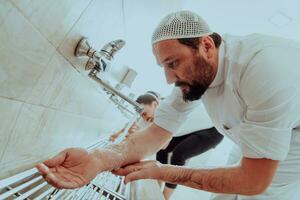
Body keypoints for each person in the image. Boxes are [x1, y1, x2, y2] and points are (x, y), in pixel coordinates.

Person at [36, 10, 300, 199]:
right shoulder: (194, 74)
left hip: (293, 148)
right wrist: (97, 159)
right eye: (164, 66)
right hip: (248, 138)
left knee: (257, 194)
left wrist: (164, 171)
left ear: (206, 45)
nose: (168, 77)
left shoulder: (263, 68)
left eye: (173, 63)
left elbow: (253, 181)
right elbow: (155, 133)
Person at [110, 92, 224, 200]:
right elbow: (136, 129)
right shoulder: (152, 115)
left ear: (155, 104)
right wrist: (123, 135)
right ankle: (158, 187)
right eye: (142, 115)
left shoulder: (168, 111)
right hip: (193, 129)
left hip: (213, 130)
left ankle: (164, 197)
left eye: (144, 113)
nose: (144, 118)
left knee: (179, 154)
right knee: (162, 152)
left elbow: (162, 144)